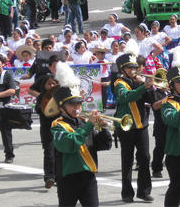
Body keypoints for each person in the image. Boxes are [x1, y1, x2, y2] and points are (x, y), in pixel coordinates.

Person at [51, 62, 112, 206]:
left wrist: (103, 129)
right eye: (72, 104)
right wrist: (90, 125)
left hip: (88, 177)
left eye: (78, 103)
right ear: (62, 107)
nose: (77, 107)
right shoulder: (57, 125)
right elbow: (70, 144)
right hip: (68, 178)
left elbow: (104, 145)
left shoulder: (84, 122)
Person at [113, 41, 155, 202]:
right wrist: (143, 87)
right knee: (127, 159)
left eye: (135, 67)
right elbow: (125, 97)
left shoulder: (139, 81)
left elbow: (151, 99)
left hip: (141, 124)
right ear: (123, 70)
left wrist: (150, 87)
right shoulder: (119, 83)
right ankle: (127, 193)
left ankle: (144, 191)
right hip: (127, 125)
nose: (133, 70)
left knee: (145, 157)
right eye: (130, 68)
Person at [26, 51, 61, 188]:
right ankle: (49, 177)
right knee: (49, 150)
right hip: (46, 120)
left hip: (62, 120)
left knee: (62, 150)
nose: (57, 69)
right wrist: (45, 97)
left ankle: (60, 176)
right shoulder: (43, 78)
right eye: (55, 66)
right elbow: (30, 90)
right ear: (50, 67)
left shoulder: (65, 80)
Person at [159, 59, 180, 207]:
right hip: (176, 152)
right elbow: (173, 121)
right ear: (172, 85)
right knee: (176, 187)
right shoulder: (168, 103)